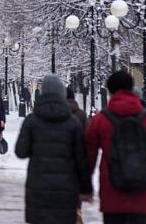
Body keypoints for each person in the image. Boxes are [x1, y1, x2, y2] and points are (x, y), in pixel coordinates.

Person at [86, 71, 146, 224]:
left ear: (110, 91)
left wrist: (85, 187)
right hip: (144, 198)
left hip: (112, 198)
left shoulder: (101, 120)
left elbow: (89, 157)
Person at [15, 75, 92, 223]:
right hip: (66, 189)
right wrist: (86, 188)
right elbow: (81, 159)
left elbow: (20, 151)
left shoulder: (32, 120)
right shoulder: (73, 123)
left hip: (38, 187)